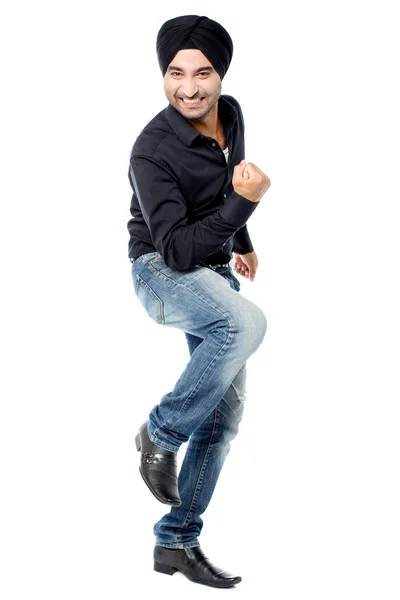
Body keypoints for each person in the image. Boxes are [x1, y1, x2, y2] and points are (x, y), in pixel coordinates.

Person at [127, 15, 271, 588]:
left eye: (202, 72)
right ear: (163, 75)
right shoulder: (151, 152)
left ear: (221, 74)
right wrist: (243, 210)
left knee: (225, 416)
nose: (189, 87)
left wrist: (242, 239)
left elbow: (224, 183)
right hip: (161, 270)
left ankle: (177, 542)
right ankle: (160, 433)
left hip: (212, 268)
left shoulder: (230, 114)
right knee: (245, 324)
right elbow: (178, 249)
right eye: (174, 73)